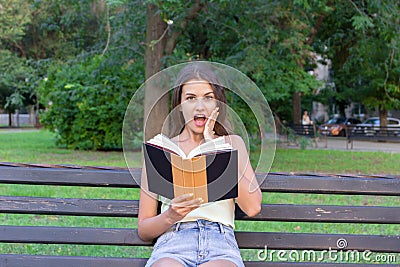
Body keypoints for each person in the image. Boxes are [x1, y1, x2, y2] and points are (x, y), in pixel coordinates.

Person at [138, 62, 262, 267]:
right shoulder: (160, 148)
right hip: (173, 243)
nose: (200, 106)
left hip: (220, 244)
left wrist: (215, 148)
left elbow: (253, 207)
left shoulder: (231, 144)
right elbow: (144, 229)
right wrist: (170, 215)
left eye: (208, 97)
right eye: (190, 98)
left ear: (217, 104)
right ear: (179, 105)